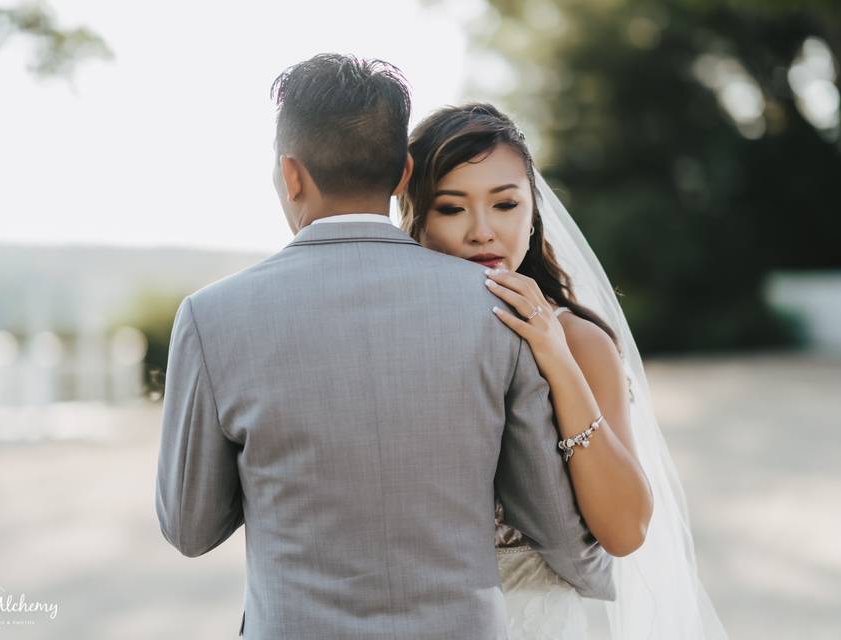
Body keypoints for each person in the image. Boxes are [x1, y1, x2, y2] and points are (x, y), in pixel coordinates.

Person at [154, 54, 614, 640]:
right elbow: (551, 521)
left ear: (291, 174)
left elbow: (189, 530)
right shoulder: (498, 307)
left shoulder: (209, 318)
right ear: (403, 173)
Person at [398, 103, 728, 639]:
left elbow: (624, 530)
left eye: (504, 204)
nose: (483, 232)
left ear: (533, 213)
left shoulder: (580, 341)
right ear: (416, 219)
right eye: (452, 208)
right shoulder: (395, 338)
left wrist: (557, 362)